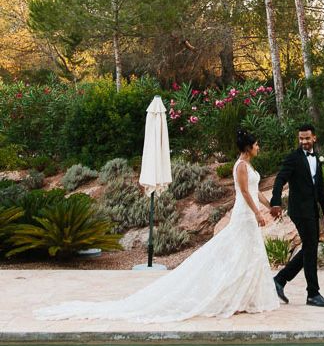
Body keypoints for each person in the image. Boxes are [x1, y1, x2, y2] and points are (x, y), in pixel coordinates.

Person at [35, 130, 280, 323]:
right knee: (237, 254)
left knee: (249, 255)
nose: (259, 147)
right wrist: (257, 213)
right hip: (243, 215)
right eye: (257, 144)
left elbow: (256, 192)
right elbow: (246, 193)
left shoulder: (250, 166)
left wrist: (269, 205)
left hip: (250, 214)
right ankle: (231, 297)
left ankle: (245, 297)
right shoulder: (239, 167)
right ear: (249, 147)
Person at [270, 123, 324, 307]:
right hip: (299, 210)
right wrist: (275, 201)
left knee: (309, 247)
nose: (304, 141)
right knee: (311, 248)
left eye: (307, 138)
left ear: (314, 138)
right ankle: (312, 293)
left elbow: (319, 186)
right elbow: (280, 179)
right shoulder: (293, 158)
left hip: (312, 209)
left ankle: (279, 280)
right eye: (301, 139)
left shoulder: (316, 158)